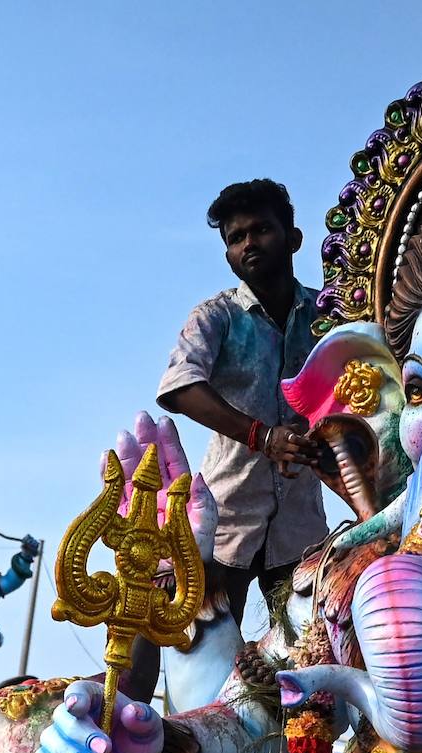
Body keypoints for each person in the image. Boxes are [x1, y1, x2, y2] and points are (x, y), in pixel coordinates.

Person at [156, 179, 327, 624]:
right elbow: (179, 386)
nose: (248, 243)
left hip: (301, 527)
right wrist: (263, 436)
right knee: (204, 653)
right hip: (226, 519)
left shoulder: (329, 314)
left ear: (293, 238)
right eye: (235, 238)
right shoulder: (217, 316)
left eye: (261, 230)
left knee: (308, 656)